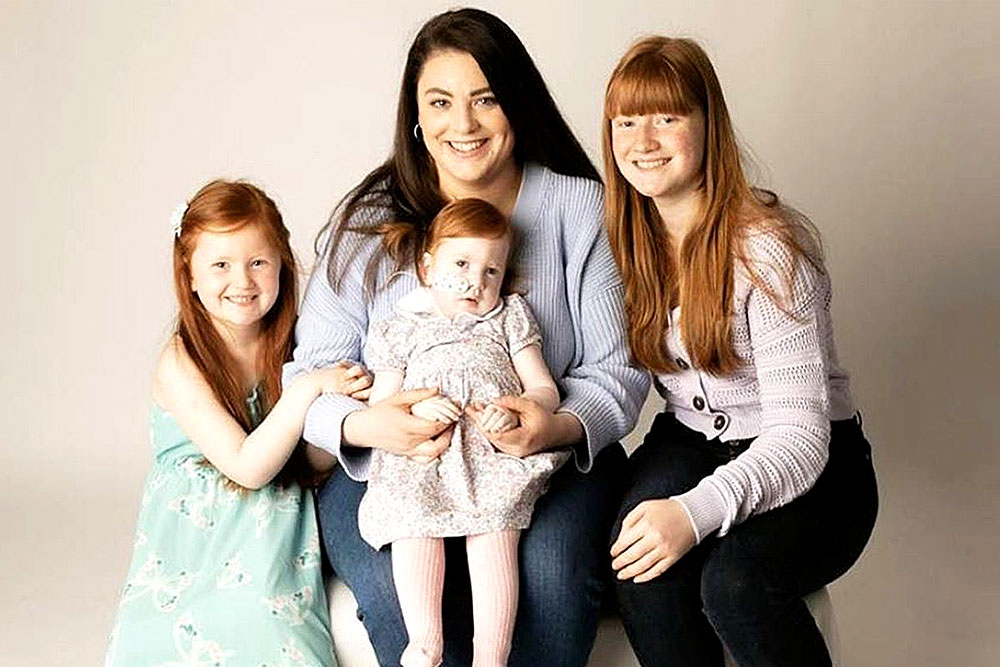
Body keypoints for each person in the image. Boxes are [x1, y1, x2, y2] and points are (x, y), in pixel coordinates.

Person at [284, 8, 649, 667]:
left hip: (543, 461)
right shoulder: (369, 220)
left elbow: (617, 371)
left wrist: (552, 422)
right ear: (416, 118)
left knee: (552, 575)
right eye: (441, 102)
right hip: (396, 464)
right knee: (398, 594)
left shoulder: (578, 210)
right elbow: (309, 372)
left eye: (486, 99)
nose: (464, 124)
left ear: (518, 104)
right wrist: (371, 426)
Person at [602, 36, 879, 666]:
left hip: (817, 460)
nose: (643, 141)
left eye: (668, 118)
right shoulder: (624, 246)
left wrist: (693, 513)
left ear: (708, 126)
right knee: (635, 565)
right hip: (690, 441)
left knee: (735, 585)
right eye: (627, 121)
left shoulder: (768, 251)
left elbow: (801, 439)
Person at [106, 180, 370, 666]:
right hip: (200, 529)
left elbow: (311, 460)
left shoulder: (294, 340)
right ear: (189, 275)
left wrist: (344, 406)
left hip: (276, 517)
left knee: (274, 623)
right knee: (192, 631)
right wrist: (310, 388)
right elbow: (246, 467)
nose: (242, 282)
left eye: (258, 263)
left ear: (282, 265)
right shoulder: (181, 360)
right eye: (220, 266)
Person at [360, 198, 570, 667]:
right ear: (428, 267)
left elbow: (542, 387)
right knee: (413, 523)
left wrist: (520, 410)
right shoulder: (403, 327)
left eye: (491, 271)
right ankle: (425, 643)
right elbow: (381, 403)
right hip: (424, 456)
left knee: (496, 529)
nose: (476, 282)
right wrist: (415, 406)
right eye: (461, 264)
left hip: (490, 453)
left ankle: (492, 656)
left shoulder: (509, 317)